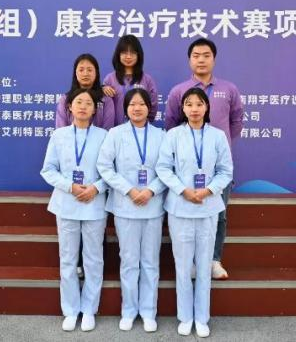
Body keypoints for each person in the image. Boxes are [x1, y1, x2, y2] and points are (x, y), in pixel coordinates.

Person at [156, 87, 233, 338]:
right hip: (180, 207)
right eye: (189, 104)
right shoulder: (173, 135)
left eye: (199, 104)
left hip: (208, 207)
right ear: (183, 108)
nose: (194, 109)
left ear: (207, 107)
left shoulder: (218, 136)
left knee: (203, 264)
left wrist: (209, 190)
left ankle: (201, 318)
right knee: (182, 265)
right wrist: (183, 190)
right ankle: (185, 317)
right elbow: (163, 168)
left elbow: (226, 171)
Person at [164, 38, 243, 280]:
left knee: (220, 214)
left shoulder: (228, 89)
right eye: (196, 55)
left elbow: (236, 122)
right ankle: (190, 262)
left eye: (206, 55)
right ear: (189, 60)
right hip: (186, 169)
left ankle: (214, 260)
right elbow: (171, 123)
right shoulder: (179, 91)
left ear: (214, 59)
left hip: (216, 167)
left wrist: (219, 147)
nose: (201, 60)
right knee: (186, 215)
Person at [96, 88, 165, 333]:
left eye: (142, 104)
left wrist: (151, 190)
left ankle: (148, 312)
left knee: (150, 261)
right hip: (125, 206)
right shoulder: (115, 134)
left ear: (149, 108)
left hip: (152, 206)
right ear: (126, 108)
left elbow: (168, 169)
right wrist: (129, 190)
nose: (137, 108)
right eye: (132, 104)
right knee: (128, 261)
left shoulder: (161, 135)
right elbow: (105, 166)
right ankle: (128, 311)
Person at [41, 88, 108, 332]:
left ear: (94, 109)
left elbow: (111, 171)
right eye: (78, 102)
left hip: (94, 205)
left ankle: (89, 309)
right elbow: (48, 170)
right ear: (69, 107)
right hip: (66, 204)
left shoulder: (103, 136)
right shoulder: (59, 135)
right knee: (68, 259)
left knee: (93, 259)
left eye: (88, 103)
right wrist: (70, 186)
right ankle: (70, 310)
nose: (83, 106)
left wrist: (96, 188)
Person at [102, 35, 159, 126]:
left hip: (140, 128)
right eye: (124, 53)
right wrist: (103, 89)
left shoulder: (147, 80)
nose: (128, 57)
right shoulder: (110, 79)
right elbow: (103, 106)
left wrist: (142, 124)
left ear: (138, 55)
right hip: (115, 130)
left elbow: (153, 106)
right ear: (118, 55)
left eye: (132, 53)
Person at [56, 53, 115, 130]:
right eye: (81, 70)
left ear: (96, 73)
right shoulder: (65, 100)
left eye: (90, 70)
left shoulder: (106, 100)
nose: (85, 74)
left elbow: (107, 130)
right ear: (75, 73)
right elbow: (60, 131)